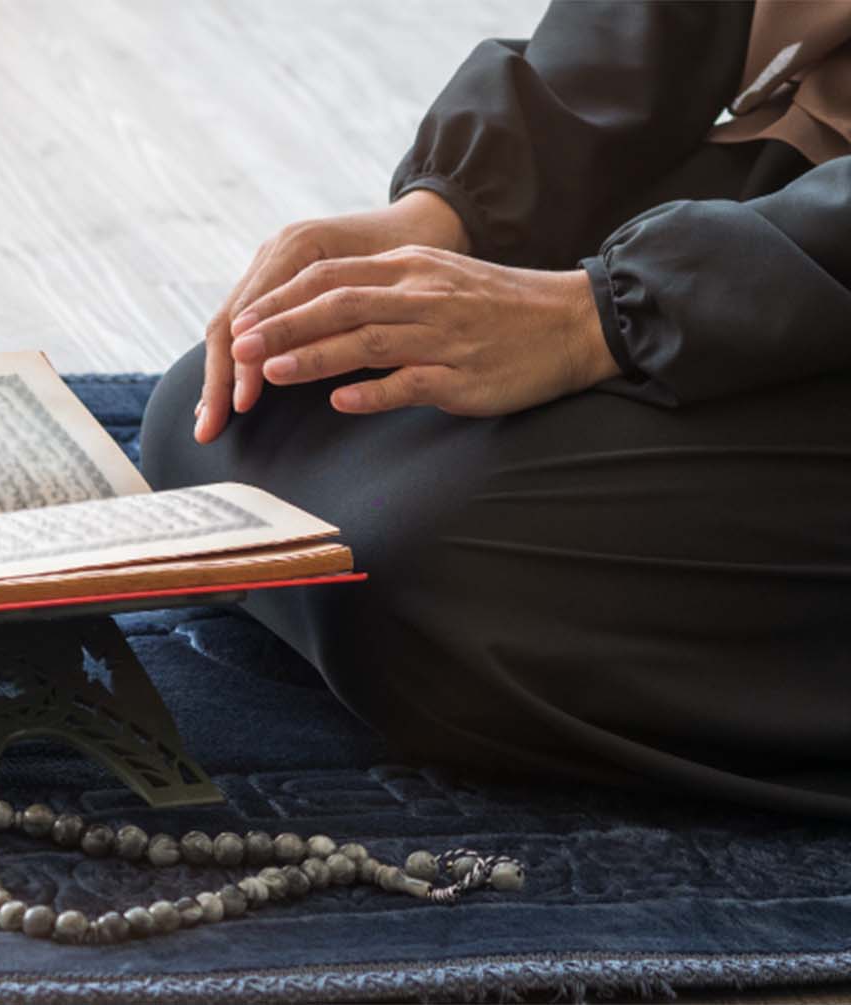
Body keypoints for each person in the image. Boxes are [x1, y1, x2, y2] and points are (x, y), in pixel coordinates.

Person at [139, 2, 851, 816]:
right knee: (230, 413)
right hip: (788, 207)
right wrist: (447, 212)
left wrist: (595, 319)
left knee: (404, 568)